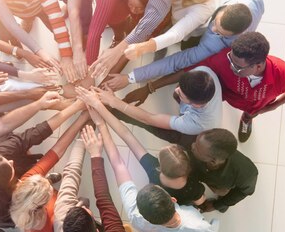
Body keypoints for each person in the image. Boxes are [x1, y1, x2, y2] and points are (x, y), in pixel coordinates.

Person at [127, 32, 285, 142]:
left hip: (255, 106)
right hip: (226, 95)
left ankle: (246, 120)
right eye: (231, 59)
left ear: (258, 66)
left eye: (238, 67)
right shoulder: (225, 58)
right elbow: (188, 72)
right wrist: (151, 87)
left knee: (250, 115)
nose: (231, 66)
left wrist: (274, 106)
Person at [104, 0, 264, 92]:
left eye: (220, 32)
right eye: (215, 22)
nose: (213, 29)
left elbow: (175, 61)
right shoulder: (253, 0)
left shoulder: (216, 45)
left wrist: (130, 78)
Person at [76, 86, 206, 207]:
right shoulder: (193, 187)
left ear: (160, 168)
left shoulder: (153, 170)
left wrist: (98, 106)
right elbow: (201, 200)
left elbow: (126, 135)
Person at [0, 101, 87, 227]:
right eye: (10, 167)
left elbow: (40, 138)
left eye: (5, 160)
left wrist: (78, 110)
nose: (11, 161)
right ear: (13, 184)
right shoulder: (7, 212)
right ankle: (46, 183)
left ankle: (47, 180)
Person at [94, 67, 223, 149]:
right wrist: (148, 88)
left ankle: (115, 112)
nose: (177, 89)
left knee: (156, 127)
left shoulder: (195, 124)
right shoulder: (205, 73)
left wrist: (114, 102)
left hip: (193, 133)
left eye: (181, 94)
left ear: (196, 105)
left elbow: (150, 119)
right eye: (180, 87)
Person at [189, 129, 258, 213]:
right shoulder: (200, 146)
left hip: (220, 184)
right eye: (196, 141)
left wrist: (218, 205)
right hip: (198, 173)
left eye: (197, 149)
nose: (192, 146)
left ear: (212, 161)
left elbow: (243, 192)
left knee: (222, 192)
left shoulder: (247, 173)